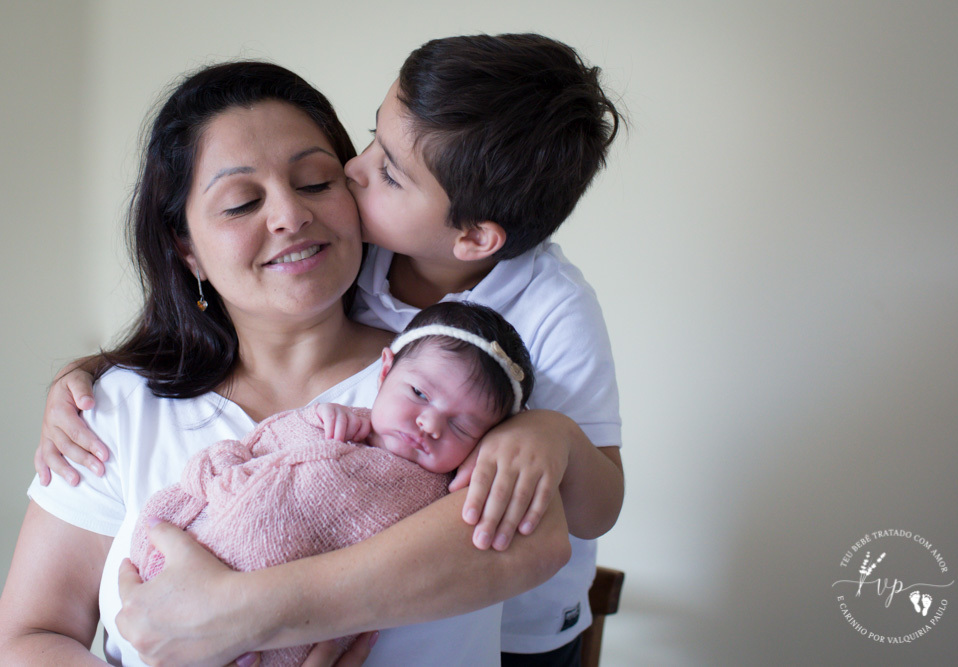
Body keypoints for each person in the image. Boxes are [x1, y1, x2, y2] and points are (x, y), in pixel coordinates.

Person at [36, 33, 625, 665]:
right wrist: (96, 370)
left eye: (316, 181)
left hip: (537, 630)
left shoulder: (457, 386)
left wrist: (250, 615)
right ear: (185, 247)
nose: (293, 213)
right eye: (241, 202)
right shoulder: (116, 407)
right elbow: (32, 634)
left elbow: (549, 532)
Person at [132, 301, 535, 667]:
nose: (429, 424)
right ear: (385, 370)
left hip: (286, 633)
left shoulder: (442, 497)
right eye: (418, 393)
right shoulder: (331, 422)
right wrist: (311, 425)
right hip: (197, 546)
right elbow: (249, 448)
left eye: (462, 425)